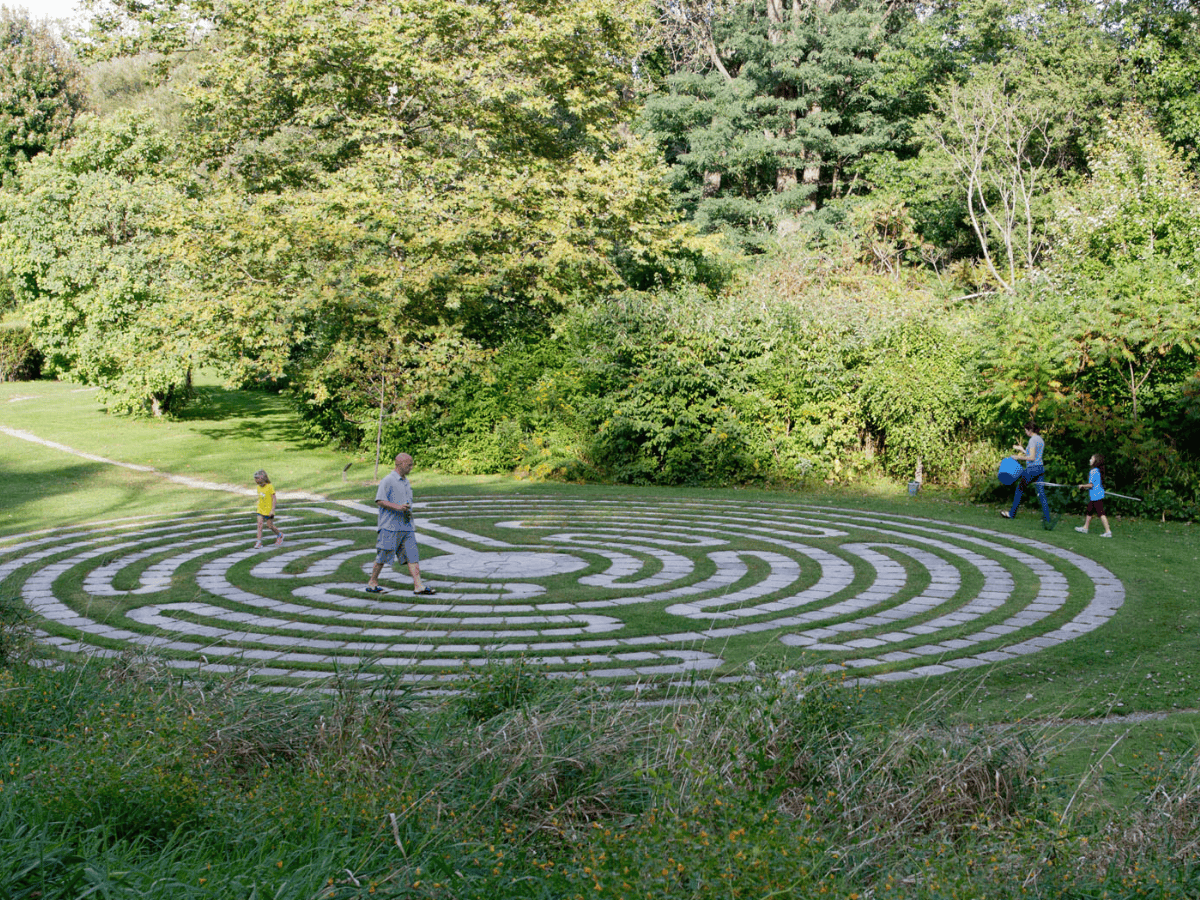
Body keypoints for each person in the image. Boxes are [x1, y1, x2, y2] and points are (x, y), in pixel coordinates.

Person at [366, 452, 435, 595]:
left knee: (412, 555)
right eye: (409, 464)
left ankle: (418, 585)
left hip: (407, 526)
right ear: (400, 464)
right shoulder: (388, 480)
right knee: (383, 555)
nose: (411, 467)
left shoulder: (406, 481)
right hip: (390, 527)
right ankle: (372, 582)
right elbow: (379, 500)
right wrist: (398, 507)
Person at [1000, 422, 1056, 529]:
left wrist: (1017, 457)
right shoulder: (1040, 439)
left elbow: (1031, 458)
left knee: (1019, 489)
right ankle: (1047, 517)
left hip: (1032, 469)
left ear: (1030, 430)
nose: (1025, 432)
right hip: (1040, 468)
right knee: (1041, 493)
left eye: (1026, 430)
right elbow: (1034, 454)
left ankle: (1011, 514)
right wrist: (1022, 449)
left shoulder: (1032, 440)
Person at [1075, 453, 1113, 538]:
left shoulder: (1093, 471)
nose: (1090, 460)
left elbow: (1091, 485)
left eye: (1091, 459)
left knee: (1101, 513)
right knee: (1089, 511)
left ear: (1096, 461)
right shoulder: (1097, 471)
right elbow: (1094, 485)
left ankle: (1108, 531)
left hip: (1096, 495)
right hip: (1095, 495)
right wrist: (1085, 487)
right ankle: (1085, 527)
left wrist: (1082, 486)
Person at [253, 469, 283, 549]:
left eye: (260, 482)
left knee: (270, 526)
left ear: (264, 479)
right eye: (257, 482)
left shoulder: (270, 487)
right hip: (260, 509)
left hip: (269, 510)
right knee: (259, 525)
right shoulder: (258, 488)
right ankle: (259, 542)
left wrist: (272, 509)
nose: (258, 484)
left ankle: (279, 535)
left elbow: (274, 498)